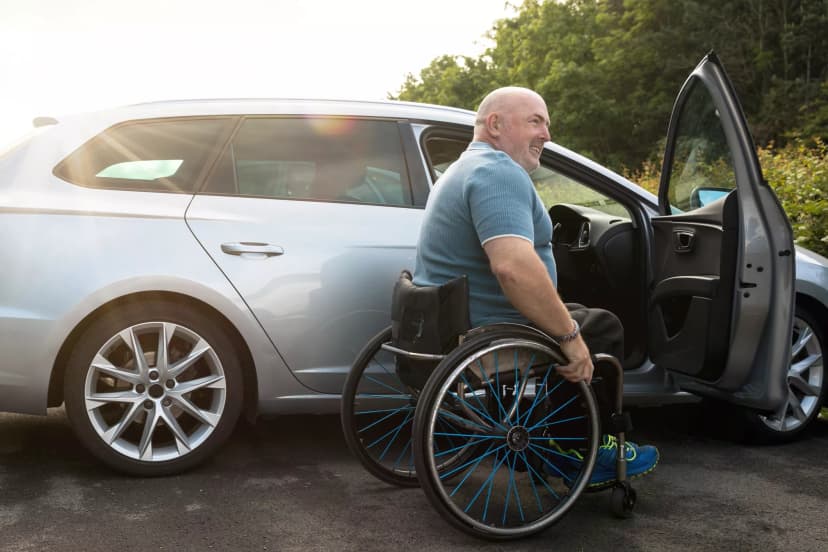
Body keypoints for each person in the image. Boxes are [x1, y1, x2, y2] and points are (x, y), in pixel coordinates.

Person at [412, 86, 658, 487]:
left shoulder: (460, 169)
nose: (546, 134)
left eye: (546, 123)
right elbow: (512, 268)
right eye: (535, 121)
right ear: (495, 124)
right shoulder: (496, 171)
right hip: (490, 329)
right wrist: (569, 335)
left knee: (576, 314)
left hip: (453, 319)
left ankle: (558, 433)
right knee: (602, 326)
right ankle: (579, 449)